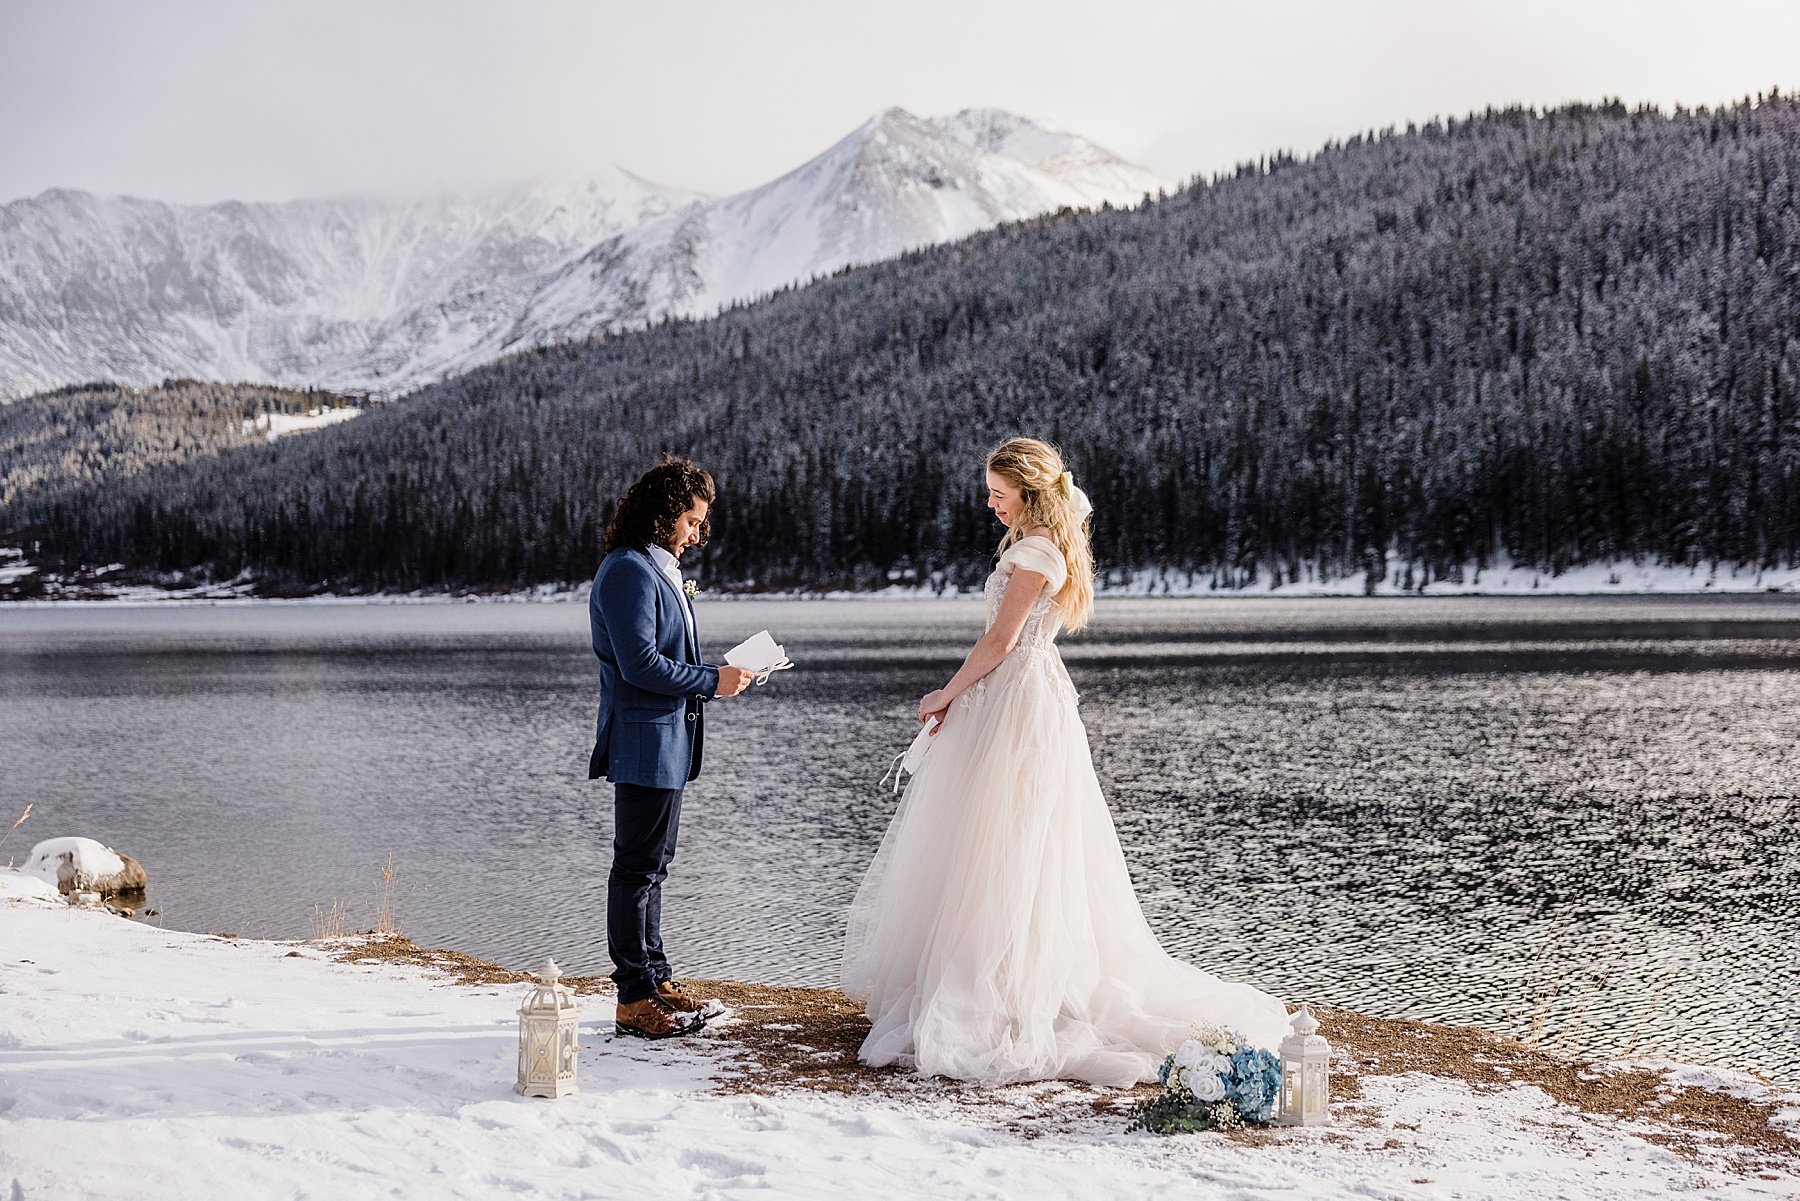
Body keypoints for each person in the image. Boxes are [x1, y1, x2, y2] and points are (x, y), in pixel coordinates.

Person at [841, 438, 1288, 1085]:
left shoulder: (1036, 551)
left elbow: (1001, 639)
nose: (990, 504)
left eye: (999, 493)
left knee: (1011, 842)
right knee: (993, 840)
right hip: (1017, 694)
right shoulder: (1041, 541)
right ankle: (984, 973)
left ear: (1027, 491)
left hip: (1018, 702)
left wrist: (948, 691)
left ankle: (1007, 985)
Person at [589, 456, 753, 1039]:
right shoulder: (628, 570)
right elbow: (638, 666)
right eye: (690, 520)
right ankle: (633, 997)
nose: (697, 533)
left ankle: (655, 978)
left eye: (701, 521)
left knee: (654, 867)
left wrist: (724, 672)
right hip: (643, 742)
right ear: (662, 517)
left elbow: (665, 656)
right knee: (635, 869)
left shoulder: (653, 568)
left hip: (669, 742)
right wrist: (713, 680)